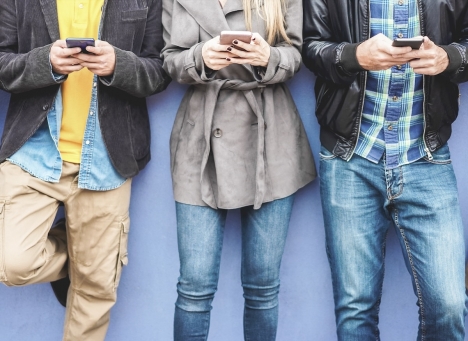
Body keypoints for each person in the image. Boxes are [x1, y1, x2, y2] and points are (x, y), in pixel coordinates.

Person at [0, 0, 170, 340]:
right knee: (13, 263)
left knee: (96, 293)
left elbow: (159, 71)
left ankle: (90, 264)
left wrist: (116, 65)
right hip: (34, 151)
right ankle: (83, 257)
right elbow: (3, 65)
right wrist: (44, 61)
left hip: (109, 157)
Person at [302, 0, 468, 339]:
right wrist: (354, 56)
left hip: (425, 153)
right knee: (355, 309)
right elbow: (311, 46)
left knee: (449, 304)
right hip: (351, 156)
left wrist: (448, 58)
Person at [162, 0, 315, 339]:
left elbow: (296, 54)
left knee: (262, 285)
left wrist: (269, 58)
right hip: (200, 140)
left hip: (271, 139)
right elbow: (170, 59)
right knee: (194, 287)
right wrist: (200, 57)